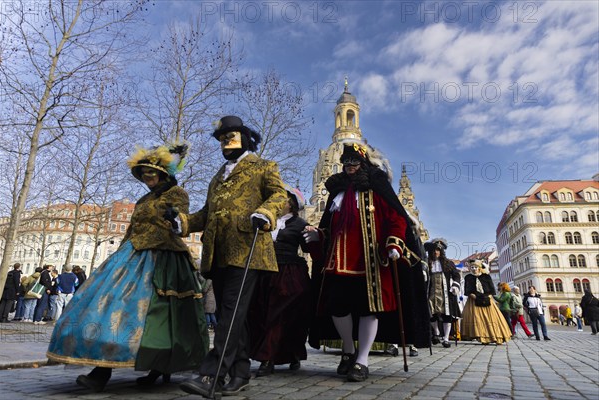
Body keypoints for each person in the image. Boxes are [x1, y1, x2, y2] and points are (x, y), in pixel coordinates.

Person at [47, 142, 209, 392]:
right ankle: (101, 369)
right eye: (144, 174)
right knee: (112, 308)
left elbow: (180, 220)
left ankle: (159, 367)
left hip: (164, 259)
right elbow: (133, 228)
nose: (147, 178)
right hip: (133, 255)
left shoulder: (177, 194)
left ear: (164, 173)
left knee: (162, 316)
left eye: (151, 173)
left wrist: (173, 215)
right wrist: (120, 254)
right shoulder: (144, 198)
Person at [177, 116, 287, 398]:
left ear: (245, 139)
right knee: (235, 315)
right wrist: (184, 223)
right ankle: (240, 372)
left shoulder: (263, 166)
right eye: (222, 140)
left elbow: (279, 196)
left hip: (248, 247)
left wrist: (266, 212)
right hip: (218, 252)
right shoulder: (218, 176)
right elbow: (207, 213)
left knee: (230, 312)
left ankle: (211, 375)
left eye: (231, 138)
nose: (226, 144)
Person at [307, 141, 429, 382]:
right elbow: (329, 226)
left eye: (353, 162)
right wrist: (317, 235)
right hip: (338, 260)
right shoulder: (338, 193)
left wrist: (394, 243)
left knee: (368, 310)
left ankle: (362, 359)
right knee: (336, 307)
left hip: (370, 261)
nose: (349, 166)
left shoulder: (377, 189)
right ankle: (348, 349)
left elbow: (396, 218)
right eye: (345, 162)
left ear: (363, 163)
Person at [249, 185, 313, 376]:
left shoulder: (299, 224)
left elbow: (309, 248)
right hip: (265, 271)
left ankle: (270, 358)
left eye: (282, 200)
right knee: (263, 314)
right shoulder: (266, 221)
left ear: (291, 204)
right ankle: (271, 354)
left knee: (281, 315)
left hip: (289, 273)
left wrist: (315, 235)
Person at [461, 260, 511, 344]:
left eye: (476, 267)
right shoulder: (468, 277)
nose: (474, 269)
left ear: (480, 268)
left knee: (493, 318)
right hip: (474, 300)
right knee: (477, 319)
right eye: (472, 267)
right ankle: (482, 337)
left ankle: (497, 336)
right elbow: (467, 291)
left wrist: (487, 297)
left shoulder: (486, 277)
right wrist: (475, 297)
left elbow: (492, 290)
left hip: (487, 299)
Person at [425, 238, 462, 348]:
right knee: (432, 314)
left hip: (445, 292)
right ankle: (436, 332)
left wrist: (455, 285)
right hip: (431, 292)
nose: (435, 252)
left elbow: (456, 275)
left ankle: (446, 338)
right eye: (433, 250)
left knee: (447, 315)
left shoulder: (448, 263)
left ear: (441, 251)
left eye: (438, 250)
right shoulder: (427, 263)